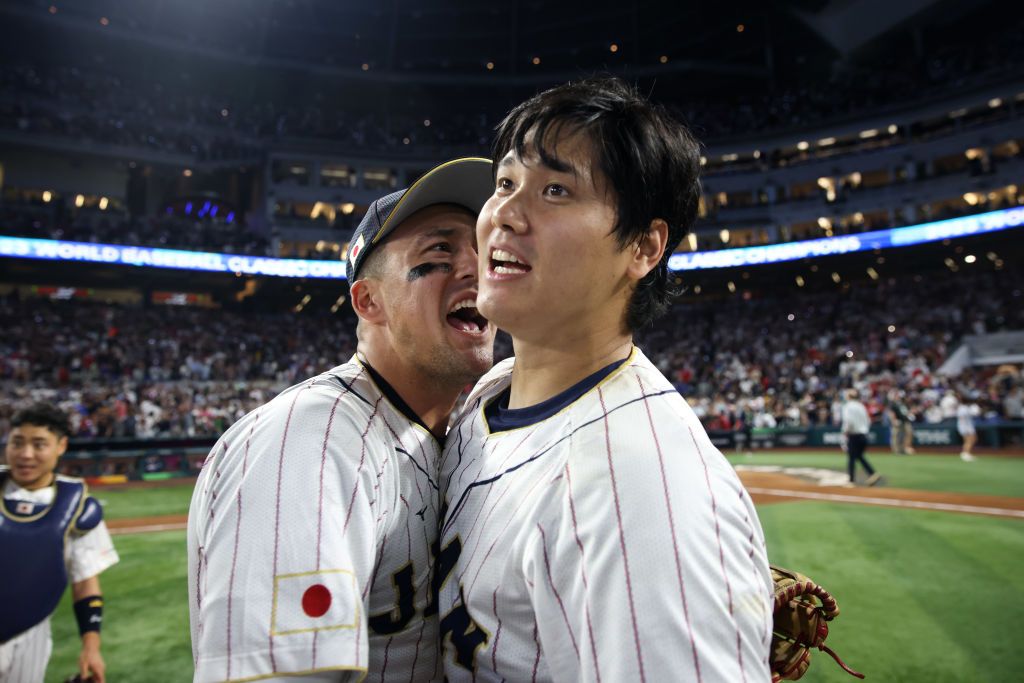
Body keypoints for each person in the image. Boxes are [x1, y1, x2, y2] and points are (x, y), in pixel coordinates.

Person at [436, 78, 773, 682]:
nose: (505, 215)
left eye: (556, 189)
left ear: (643, 246)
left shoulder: (643, 487)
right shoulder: (492, 394)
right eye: (506, 183)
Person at [187, 157, 496, 683]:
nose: (477, 268)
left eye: (482, 249)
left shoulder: (455, 430)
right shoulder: (307, 440)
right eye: (440, 250)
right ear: (368, 300)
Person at [1, 402, 118, 683]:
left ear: (61, 445)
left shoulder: (78, 507)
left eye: (39, 444)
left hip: (31, 633)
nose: (26, 454)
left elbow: (85, 582)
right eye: (17, 443)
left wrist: (91, 649)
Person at [841, 389, 881, 486]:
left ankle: (851, 480)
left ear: (849, 397)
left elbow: (848, 421)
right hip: (863, 435)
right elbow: (868, 421)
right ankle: (872, 473)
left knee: (851, 457)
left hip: (854, 435)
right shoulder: (861, 406)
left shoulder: (848, 406)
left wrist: (845, 433)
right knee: (858, 455)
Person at [885, 389, 915, 455]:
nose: (899, 397)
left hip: (905, 421)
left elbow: (906, 412)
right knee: (895, 436)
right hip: (897, 421)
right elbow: (891, 413)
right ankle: (896, 450)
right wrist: (893, 420)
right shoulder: (893, 404)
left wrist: (910, 414)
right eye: (897, 396)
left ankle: (904, 448)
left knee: (909, 433)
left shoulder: (903, 404)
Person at [956, 394, 977, 461]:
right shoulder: (962, 408)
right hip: (965, 426)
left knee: (971, 440)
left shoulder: (965, 407)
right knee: (969, 440)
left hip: (967, 426)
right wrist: (965, 428)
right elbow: (962, 418)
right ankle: (966, 453)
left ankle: (965, 453)